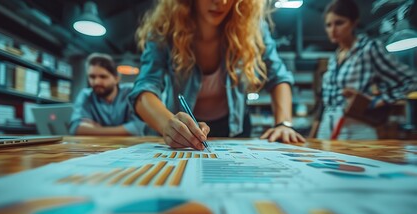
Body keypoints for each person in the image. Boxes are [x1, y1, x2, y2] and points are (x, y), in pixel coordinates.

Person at [128, 0, 305, 150]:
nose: (221, 2)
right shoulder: (165, 27)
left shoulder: (252, 28)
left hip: (235, 130)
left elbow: (278, 76)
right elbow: (145, 88)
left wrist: (284, 124)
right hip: (181, 128)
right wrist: (167, 124)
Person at [317, 0, 417, 140]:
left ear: (353, 22)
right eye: (328, 25)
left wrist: (376, 101)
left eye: (339, 23)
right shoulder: (334, 57)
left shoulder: (369, 49)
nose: (333, 30)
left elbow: (411, 80)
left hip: (356, 128)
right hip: (327, 126)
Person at [69, 53, 146, 136]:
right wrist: (123, 129)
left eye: (103, 77)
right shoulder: (86, 95)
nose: (96, 82)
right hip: (97, 147)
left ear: (116, 78)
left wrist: (96, 129)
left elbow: (136, 128)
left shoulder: (131, 91)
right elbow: (76, 128)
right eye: (92, 77)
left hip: (132, 147)